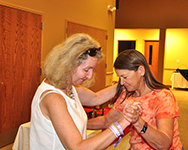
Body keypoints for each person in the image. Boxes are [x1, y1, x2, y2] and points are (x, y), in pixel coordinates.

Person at [29, 33, 139, 150]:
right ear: (68, 65)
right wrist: (122, 123)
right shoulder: (53, 98)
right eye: (86, 70)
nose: (90, 76)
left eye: (92, 69)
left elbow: (96, 98)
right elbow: (77, 147)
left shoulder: (68, 87)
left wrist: (124, 83)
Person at [88, 49, 183, 150]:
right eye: (120, 78)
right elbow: (106, 121)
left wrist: (138, 121)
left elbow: (164, 144)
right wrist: (80, 124)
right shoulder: (127, 95)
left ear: (141, 71)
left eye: (125, 77)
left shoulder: (162, 96)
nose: (121, 82)